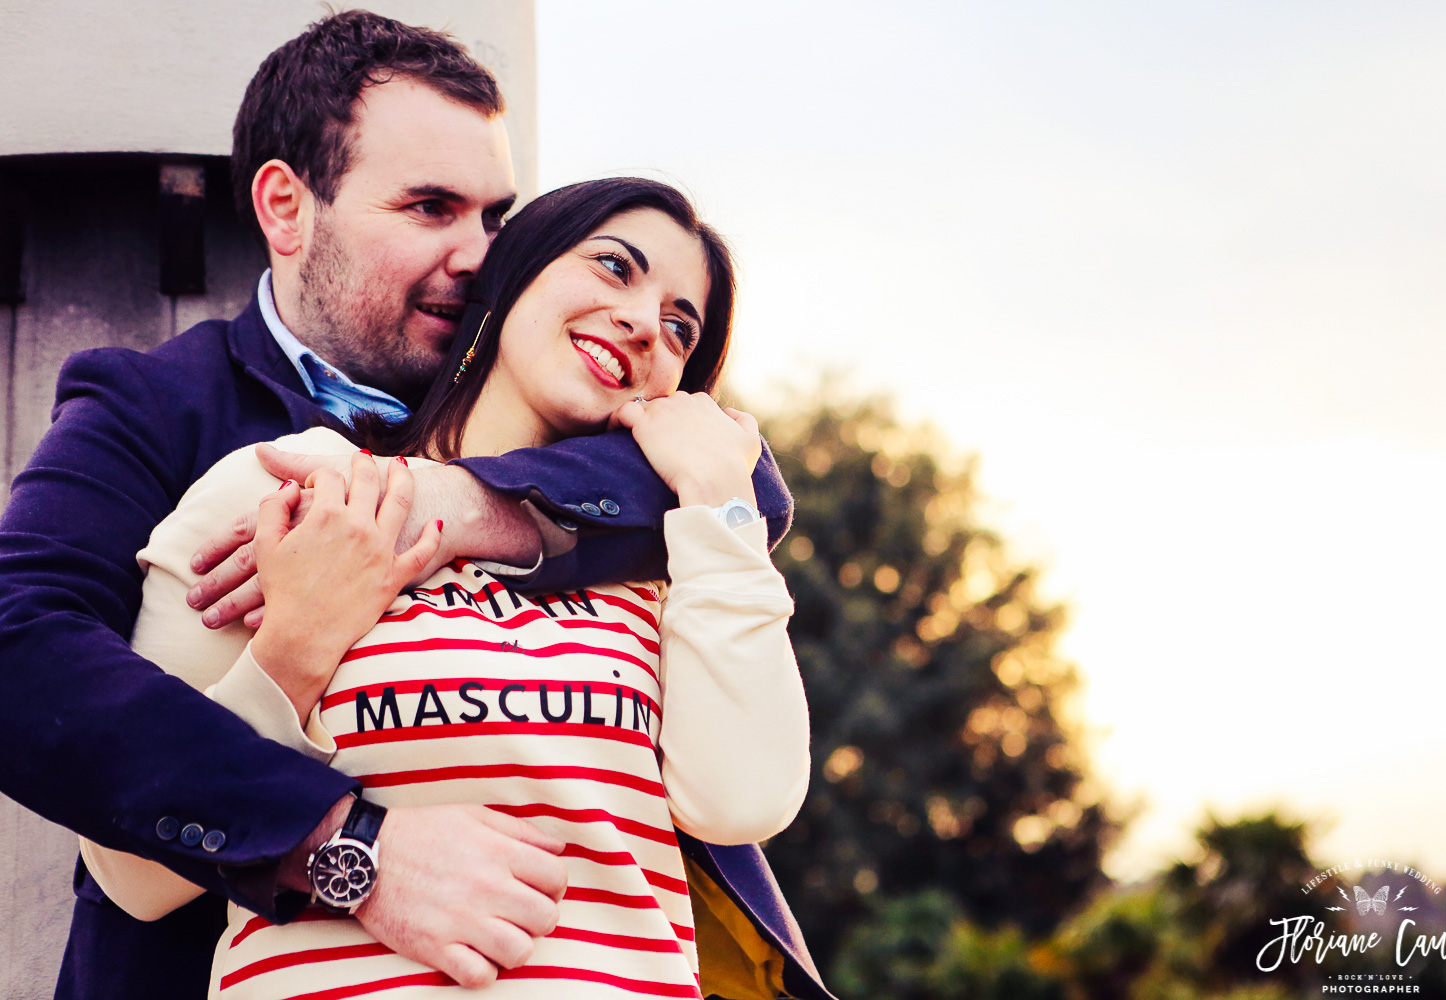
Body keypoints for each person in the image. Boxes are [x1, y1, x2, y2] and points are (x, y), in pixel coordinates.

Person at [0, 11, 827, 1000]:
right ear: (287, 208)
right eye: (430, 207)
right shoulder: (184, 420)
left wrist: (453, 501)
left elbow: (748, 487)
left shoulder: (618, 450)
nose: (480, 255)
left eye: (496, 218)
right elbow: (21, 649)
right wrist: (342, 841)